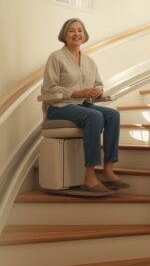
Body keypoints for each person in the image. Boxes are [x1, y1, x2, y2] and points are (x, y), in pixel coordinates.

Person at [39, 18, 130, 193]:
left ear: (85, 34)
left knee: (113, 115)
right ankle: (90, 176)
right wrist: (76, 93)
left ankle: (108, 170)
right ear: (64, 35)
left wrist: (98, 91)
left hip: (82, 105)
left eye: (80, 30)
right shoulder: (56, 57)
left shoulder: (89, 61)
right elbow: (49, 88)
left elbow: (98, 83)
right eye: (72, 30)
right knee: (95, 116)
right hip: (59, 107)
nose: (77, 34)